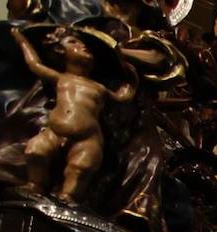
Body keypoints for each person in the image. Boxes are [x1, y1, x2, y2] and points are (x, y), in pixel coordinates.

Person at [9, 25, 134, 204]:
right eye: (73, 42)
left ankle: (68, 196)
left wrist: (131, 83)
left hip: (87, 138)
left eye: (85, 45)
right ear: (59, 50)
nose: (83, 46)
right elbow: (34, 64)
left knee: (81, 167)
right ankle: (36, 184)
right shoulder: (62, 78)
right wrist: (21, 39)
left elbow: (121, 98)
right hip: (54, 132)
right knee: (35, 151)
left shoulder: (99, 88)